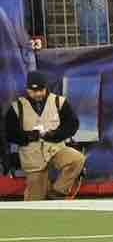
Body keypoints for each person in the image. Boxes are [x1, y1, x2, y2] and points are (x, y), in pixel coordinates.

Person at [4, 72, 85, 201]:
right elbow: (9, 133)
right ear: (27, 89)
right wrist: (28, 136)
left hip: (55, 148)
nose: (37, 94)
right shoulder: (16, 107)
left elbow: (72, 125)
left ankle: (58, 192)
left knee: (77, 159)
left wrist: (55, 134)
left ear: (46, 87)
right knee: (35, 201)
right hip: (32, 156)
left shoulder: (59, 102)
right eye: (33, 91)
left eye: (40, 90)